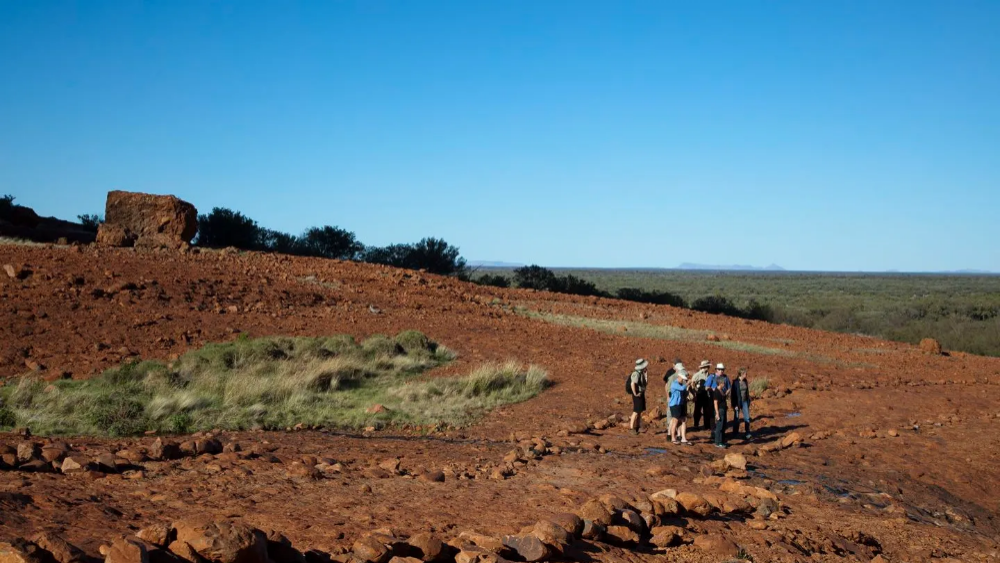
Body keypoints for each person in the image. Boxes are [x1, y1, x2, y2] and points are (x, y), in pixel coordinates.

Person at [667, 368, 691, 444]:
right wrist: (687, 383)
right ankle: (673, 438)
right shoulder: (675, 384)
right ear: (680, 377)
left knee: (683, 420)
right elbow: (682, 388)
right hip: (674, 405)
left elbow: (684, 390)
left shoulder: (681, 384)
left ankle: (683, 438)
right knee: (675, 420)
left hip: (680, 404)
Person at [712, 363, 732, 448]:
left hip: (723, 409)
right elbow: (715, 403)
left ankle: (722, 441)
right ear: (720, 383)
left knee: (723, 426)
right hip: (719, 410)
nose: (724, 384)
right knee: (719, 427)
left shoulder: (721, 391)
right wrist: (717, 413)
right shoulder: (716, 392)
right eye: (723, 383)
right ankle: (718, 442)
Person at [628, 358, 649, 434]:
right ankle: (631, 428)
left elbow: (645, 384)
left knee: (639, 411)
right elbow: (632, 384)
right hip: (637, 394)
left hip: (640, 393)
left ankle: (637, 427)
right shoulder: (636, 374)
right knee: (636, 411)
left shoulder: (641, 373)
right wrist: (635, 393)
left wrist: (646, 375)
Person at [731, 367, 752, 439]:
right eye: (745, 373)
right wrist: (734, 404)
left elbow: (747, 392)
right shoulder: (735, 382)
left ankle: (747, 432)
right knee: (736, 418)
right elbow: (733, 395)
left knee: (747, 418)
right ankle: (735, 433)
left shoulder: (745, 381)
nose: (746, 374)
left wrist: (748, 401)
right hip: (737, 403)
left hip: (745, 401)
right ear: (742, 374)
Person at [691, 360, 712, 430]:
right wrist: (695, 393)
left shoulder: (709, 375)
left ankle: (707, 425)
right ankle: (696, 424)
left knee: (707, 410)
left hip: (706, 395)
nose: (708, 367)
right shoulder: (697, 375)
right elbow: (692, 384)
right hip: (699, 395)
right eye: (707, 366)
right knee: (697, 410)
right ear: (705, 367)